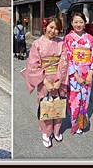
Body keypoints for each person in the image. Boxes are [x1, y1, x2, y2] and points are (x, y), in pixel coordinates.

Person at [21, 17, 68, 148]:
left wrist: (59, 80)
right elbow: (33, 65)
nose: (53, 31)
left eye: (57, 29)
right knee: (46, 106)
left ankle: (57, 130)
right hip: (44, 79)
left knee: (59, 104)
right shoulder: (37, 44)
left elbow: (64, 62)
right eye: (51, 27)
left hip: (59, 78)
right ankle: (46, 133)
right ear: (45, 26)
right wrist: (45, 81)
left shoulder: (62, 43)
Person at [64, 12, 93, 135]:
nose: (78, 24)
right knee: (74, 101)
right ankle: (74, 124)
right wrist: (76, 76)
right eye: (76, 22)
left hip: (87, 74)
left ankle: (81, 123)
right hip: (74, 76)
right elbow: (67, 58)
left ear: (85, 23)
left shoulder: (90, 38)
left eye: (81, 22)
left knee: (85, 100)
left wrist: (90, 74)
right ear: (71, 23)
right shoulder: (68, 38)